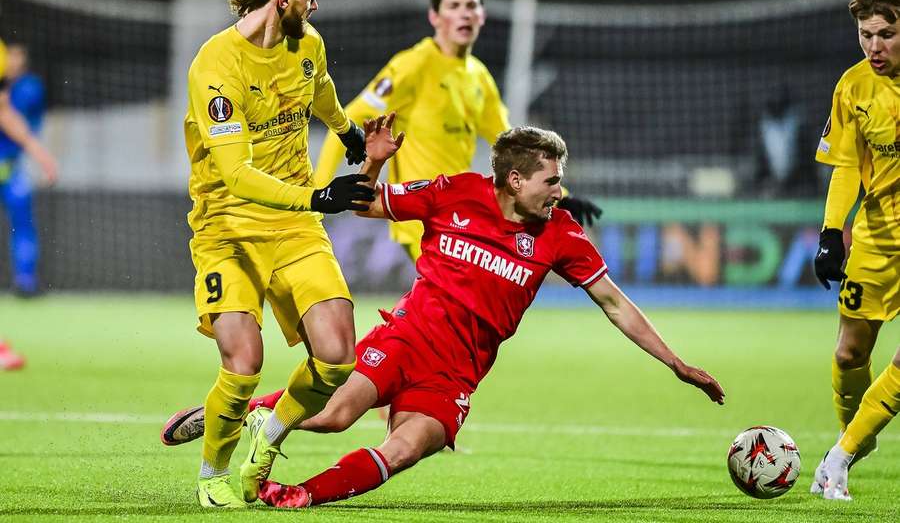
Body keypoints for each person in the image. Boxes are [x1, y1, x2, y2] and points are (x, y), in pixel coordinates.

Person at [164, 118, 725, 509]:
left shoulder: (562, 236)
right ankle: (238, 415)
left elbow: (615, 304)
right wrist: (376, 162)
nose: (562, 190)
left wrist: (676, 363)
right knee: (335, 416)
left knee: (405, 450)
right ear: (515, 180)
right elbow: (367, 203)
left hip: (456, 374)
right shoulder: (454, 193)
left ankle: (300, 494)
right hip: (405, 338)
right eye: (552, 180)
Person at [182, 0, 379, 508]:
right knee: (244, 363)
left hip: (293, 229)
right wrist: (319, 197)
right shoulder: (216, 66)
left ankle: (267, 434)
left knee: (339, 354)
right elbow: (237, 175)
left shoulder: (306, 43)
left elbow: (318, 89)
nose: (316, 7)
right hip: (229, 227)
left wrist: (345, 131)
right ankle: (213, 472)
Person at [313, 0, 600, 263]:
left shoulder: (479, 77)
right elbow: (349, 118)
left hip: (459, 216)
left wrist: (560, 194)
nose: (464, 13)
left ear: (482, 16)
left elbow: (513, 146)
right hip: (419, 216)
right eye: (454, 6)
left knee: (467, 304)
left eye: (471, 5)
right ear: (435, 17)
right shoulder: (413, 66)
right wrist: (319, 194)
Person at [812, 0, 900, 501]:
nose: (875, 46)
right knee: (849, 356)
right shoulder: (853, 85)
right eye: (866, 35)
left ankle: (838, 458)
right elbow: (846, 166)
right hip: (876, 239)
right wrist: (829, 233)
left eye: (886, 34)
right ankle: (852, 441)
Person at [0, 40, 56, 370]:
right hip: (12, 171)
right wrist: (41, 153)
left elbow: (4, 109)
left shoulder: (26, 85)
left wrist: (39, 154)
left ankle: (26, 281)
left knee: (24, 228)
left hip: (11, 171)